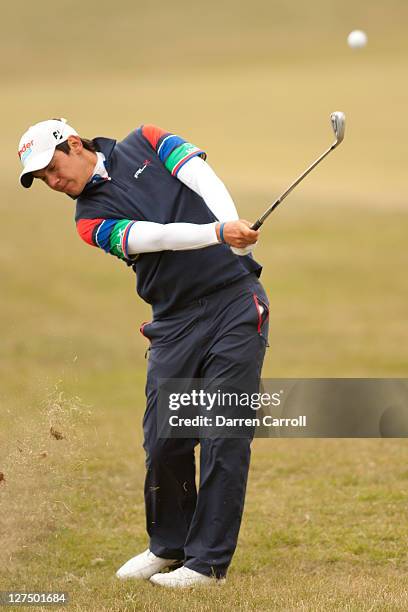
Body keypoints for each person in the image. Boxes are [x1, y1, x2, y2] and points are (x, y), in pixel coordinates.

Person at [18, 118, 270, 588]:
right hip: (173, 322)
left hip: (235, 304)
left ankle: (207, 564)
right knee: (163, 439)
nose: (53, 182)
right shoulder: (87, 219)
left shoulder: (147, 140)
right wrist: (219, 232)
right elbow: (151, 236)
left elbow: (200, 175)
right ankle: (169, 546)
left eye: (53, 168)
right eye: (43, 180)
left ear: (74, 144)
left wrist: (231, 227)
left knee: (223, 434)